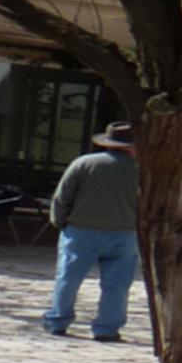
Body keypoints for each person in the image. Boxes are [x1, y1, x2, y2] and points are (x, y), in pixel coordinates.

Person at [39, 120, 138, 341]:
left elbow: (62, 197)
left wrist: (60, 222)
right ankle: (107, 328)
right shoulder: (142, 170)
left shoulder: (84, 163)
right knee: (117, 285)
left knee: (69, 278)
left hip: (81, 230)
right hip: (124, 232)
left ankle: (58, 320)